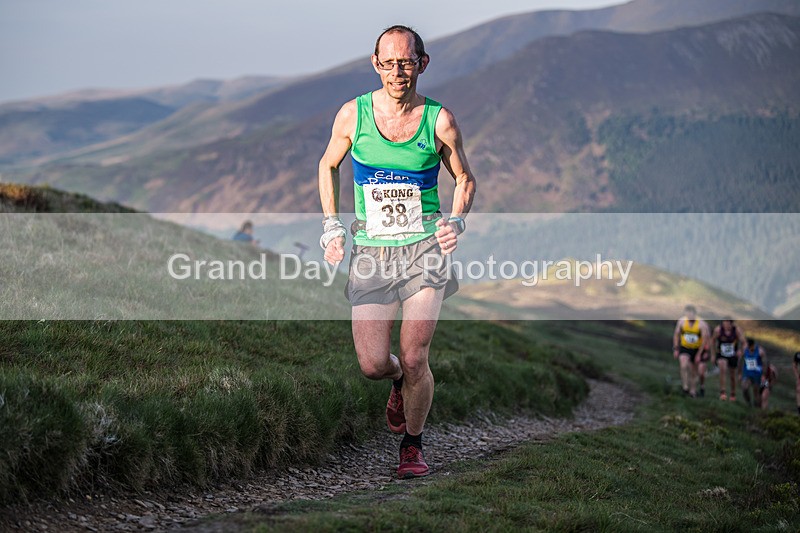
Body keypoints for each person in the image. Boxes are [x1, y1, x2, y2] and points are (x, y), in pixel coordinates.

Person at [317, 25, 476, 479]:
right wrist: (331, 225)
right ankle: (398, 386)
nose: (397, 72)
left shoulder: (438, 120)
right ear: (375, 64)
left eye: (406, 62)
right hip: (371, 250)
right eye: (388, 63)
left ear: (422, 64)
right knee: (372, 364)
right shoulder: (354, 115)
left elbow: (465, 179)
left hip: (425, 247)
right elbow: (328, 164)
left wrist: (456, 220)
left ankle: (412, 444)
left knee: (414, 356)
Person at [673, 305, 710, 397]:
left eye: (691, 315)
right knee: (683, 364)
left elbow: (705, 340)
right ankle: (685, 387)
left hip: (697, 349)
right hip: (685, 347)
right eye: (687, 314)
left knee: (693, 371)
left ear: (695, 314)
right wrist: (676, 348)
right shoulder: (681, 322)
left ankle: (692, 390)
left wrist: (700, 353)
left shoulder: (702, 324)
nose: (689, 317)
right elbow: (676, 335)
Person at [710, 318, 746, 401]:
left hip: (733, 354)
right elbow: (712, 340)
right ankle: (723, 392)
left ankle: (733, 393)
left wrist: (741, 351)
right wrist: (713, 354)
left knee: (732, 375)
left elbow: (744, 343)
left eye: (727, 324)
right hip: (721, 353)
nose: (725, 326)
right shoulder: (718, 330)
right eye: (724, 324)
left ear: (731, 324)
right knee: (722, 369)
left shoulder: (737, 330)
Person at [739, 337, 768, 408]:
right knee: (744, 388)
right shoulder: (744, 349)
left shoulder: (760, 351)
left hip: (757, 375)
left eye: (749, 347)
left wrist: (763, 375)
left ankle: (757, 407)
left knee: (756, 392)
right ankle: (748, 403)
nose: (748, 349)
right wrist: (739, 373)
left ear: (753, 345)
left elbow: (765, 364)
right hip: (747, 374)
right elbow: (740, 361)